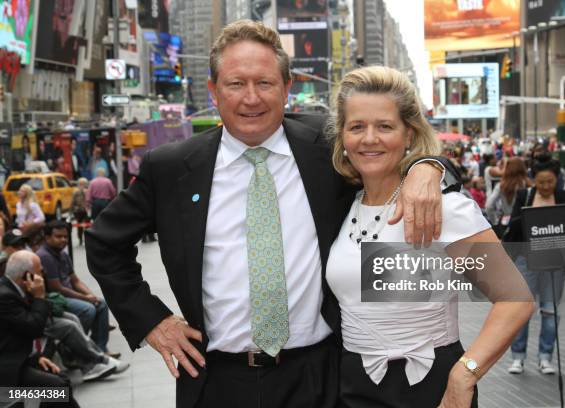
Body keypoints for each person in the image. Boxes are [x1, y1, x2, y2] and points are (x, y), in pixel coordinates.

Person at [85, 20, 460, 408]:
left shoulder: (329, 147)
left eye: (264, 83)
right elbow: (102, 243)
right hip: (215, 382)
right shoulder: (171, 168)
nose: (252, 98)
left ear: (287, 89)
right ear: (213, 91)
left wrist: (427, 167)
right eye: (236, 84)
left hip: (319, 378)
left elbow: (395, 144)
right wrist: (152, 321)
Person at [325, 66, 533, 408]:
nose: (369, 138)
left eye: (385, 126)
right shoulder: (344, 205)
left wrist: (465, 374)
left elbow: (516, 299)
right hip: (352, 386)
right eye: (357, 126)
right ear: (342, 137)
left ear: (409, 134)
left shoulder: (443, 207)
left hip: (429, 387)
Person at [505, 154, 565, 375]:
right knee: (522, 309)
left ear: (557, 180)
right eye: (541, 182)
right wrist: (530, 217)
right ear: (533, 180)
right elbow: (514, 227)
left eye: (550, 182)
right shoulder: (524, 196)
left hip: (554, 262)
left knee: (550, 311)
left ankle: (546, 357)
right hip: (527, 259)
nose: (545, 186)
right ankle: (518, 357)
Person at [0, 250, 81, 407]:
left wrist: (35, 357)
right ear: (26, 276)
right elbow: (34, 327)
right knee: (57, 391)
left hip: (19, 360)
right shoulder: (5, 296)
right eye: (39, 272)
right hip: (6, 382)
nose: (43, 275)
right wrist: (39, 297)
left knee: (61, 383)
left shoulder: (12, 290)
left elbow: (17, 333)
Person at [38, 220, 118, 358]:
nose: (63, 240)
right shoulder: (45, 256)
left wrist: (91, 296)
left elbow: (75, 280)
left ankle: (100, 349)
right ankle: (72, 349)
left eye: (65, 236)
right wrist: (85, 298)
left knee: (101, 304)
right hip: (56, 299)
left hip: (68, 295)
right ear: (47, 238)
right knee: (87, 309)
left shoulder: (63, 254)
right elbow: (57, 288)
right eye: (58, 237)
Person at [486, 157, 529, 238]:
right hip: (526, 223)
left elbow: (489, 206)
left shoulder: (501, 185)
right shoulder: (528, 185)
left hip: (507, 223)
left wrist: (495, 222)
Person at [70, 177, 90, 246]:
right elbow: (73, 202)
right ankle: (81, 239)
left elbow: (72, 202)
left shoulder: (86, 191)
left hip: (83, 210)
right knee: (81, 225)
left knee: (85, 226)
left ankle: (85, 239)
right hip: (80, 210)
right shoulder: (77, 191)